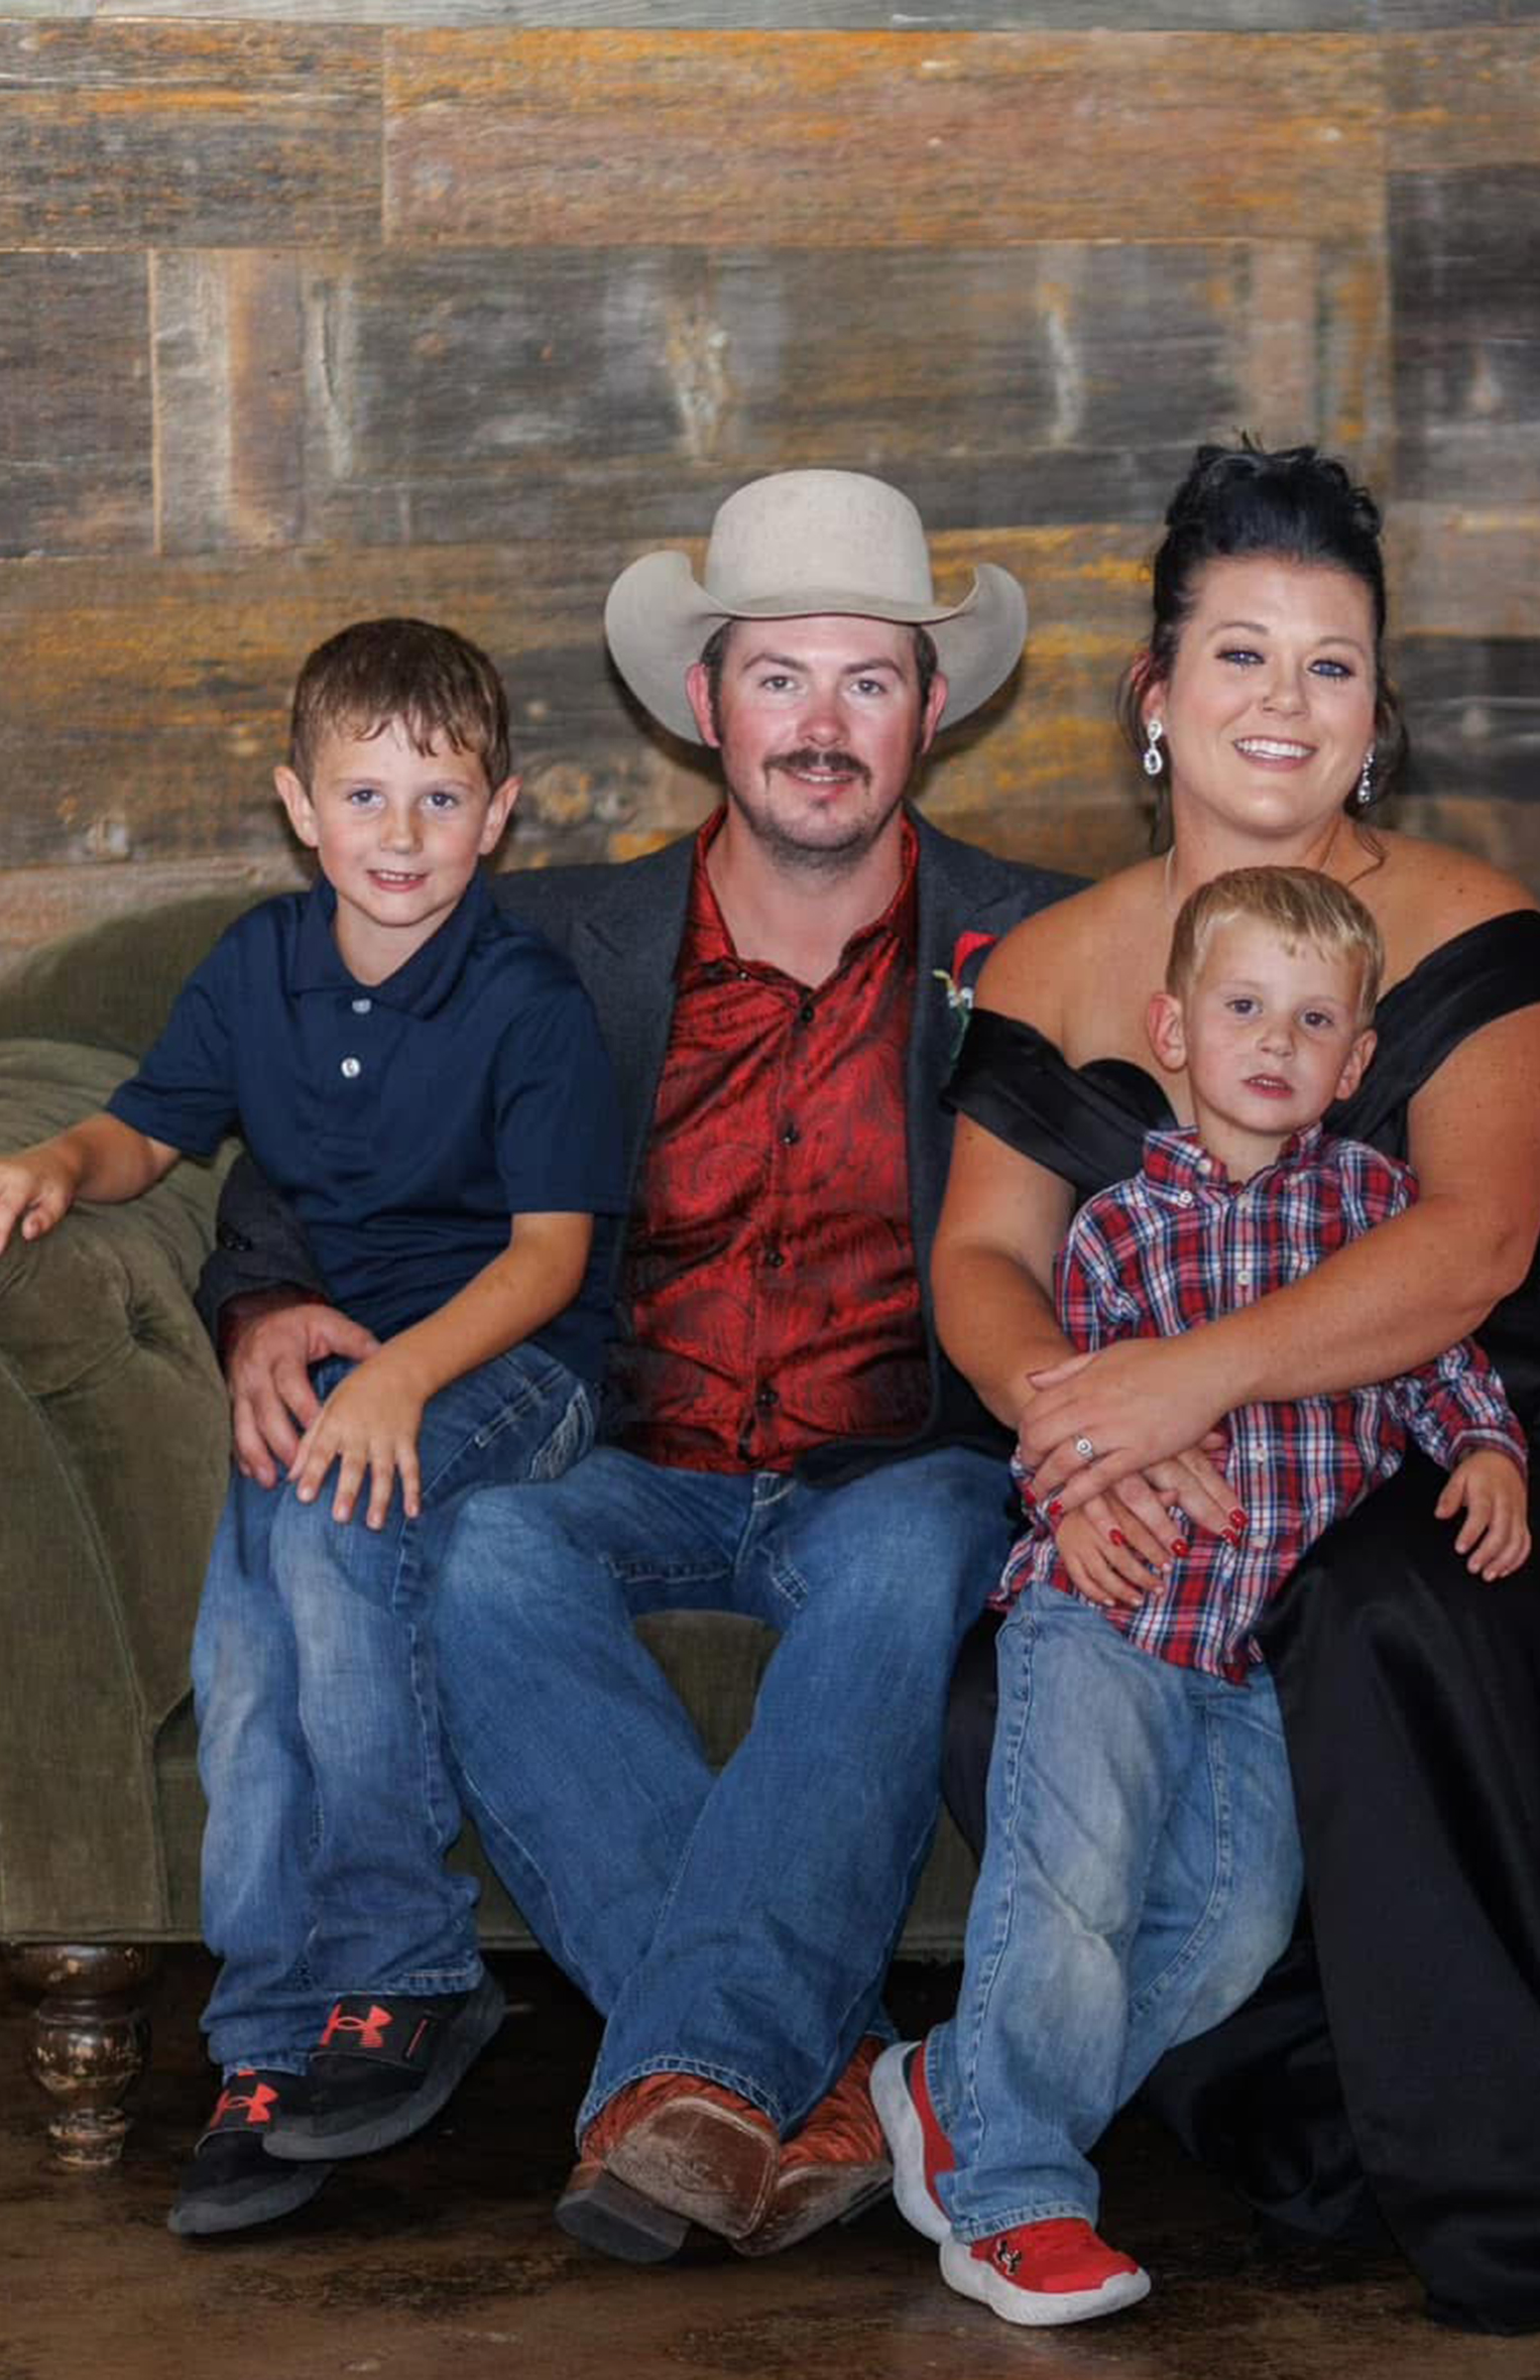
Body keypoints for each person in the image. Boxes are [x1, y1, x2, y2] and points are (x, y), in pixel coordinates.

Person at [928, 440, 1540, 2332]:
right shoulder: (1053, 960)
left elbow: (1473, 1245)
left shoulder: (1472, 926)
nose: (1284, 703)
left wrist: (1179, 1388)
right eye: (1240, 654)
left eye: (1332, 666)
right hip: (1143, 1438)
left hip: (1436, 1430)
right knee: (1016, 1676)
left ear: (1377, 717)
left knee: (1383, 1611)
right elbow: (982, 1258)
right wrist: (1083, 1432)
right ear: (1155, 692)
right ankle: (1146, 2105)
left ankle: (1488, 2157)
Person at [198, 471, 1068, 2263]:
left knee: (917, 1549)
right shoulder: (552, 945)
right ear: (704, 704)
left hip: (894, 1460)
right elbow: (338, 1116)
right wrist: (266, 1297)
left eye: (868, 682)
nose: (820, 725)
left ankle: (697, 2080)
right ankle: (820, 2080)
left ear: (930, 710)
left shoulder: (1042, 943)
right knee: (483, 1549)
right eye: (778, 678)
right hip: (629, 1450)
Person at [0, 619, 623, 2237]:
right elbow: (145, 1132)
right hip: (336, 1371)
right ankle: (268, 2043)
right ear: (299, 807)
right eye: (363, 797)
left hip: (512, 1365)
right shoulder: (261, 966)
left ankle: (407, 1966)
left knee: (331, 1518)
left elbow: (550, 1260)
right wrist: (52, 1166)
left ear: (501, 813)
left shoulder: (527, 1000)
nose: (402, 836)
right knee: (243, 1654)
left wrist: (400, 1379)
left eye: (440, 799)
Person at [877, 867, 1532, 2327]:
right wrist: (1074, 1489)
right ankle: (1015, 2201)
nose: (1276, 1041)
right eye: (1243, 1007)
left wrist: (1488, 1449)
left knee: (1234, 1926)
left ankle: (954, 2091)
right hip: (1105, 1610)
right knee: (1074, 1891)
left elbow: (1437, 1359)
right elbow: (1055, 1403)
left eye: (1315, 1021)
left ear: (1357, 1063)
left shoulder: (1376, 1211)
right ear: (1173, 1031)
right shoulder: (1115, 1227)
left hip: (1256, 1649)